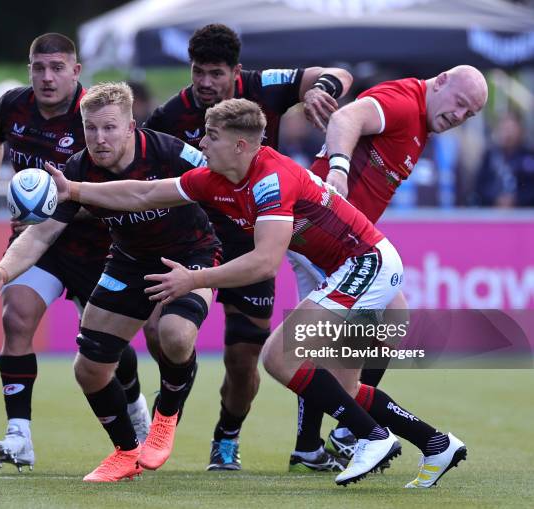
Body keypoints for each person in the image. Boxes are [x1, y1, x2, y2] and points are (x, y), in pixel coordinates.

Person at [46, 98, 468, 489]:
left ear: (241, 144)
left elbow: (265, 263)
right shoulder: (216, 177)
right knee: (345, 387)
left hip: (367, 264)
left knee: (277, 357)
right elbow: (142, 192)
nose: (201, 143)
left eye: (211, 137)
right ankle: (436, 444)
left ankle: (373, 438)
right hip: (350, 268)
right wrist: (77, 190)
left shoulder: (271, 179)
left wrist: (194, 280)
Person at [0, 82, 221, 482]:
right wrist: (4, 270)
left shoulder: (170, 152)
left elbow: (217, 186)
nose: (99, 139)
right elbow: (40, 234)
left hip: (189, 256)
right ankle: (125, 452)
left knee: (173, 334)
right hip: (127, 261)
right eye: (91, 129)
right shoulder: (77, 169)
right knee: (89, 370)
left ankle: (165, 416)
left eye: (109, 128)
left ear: (131, 127)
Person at [145, 22, 353, 472]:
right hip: (194, 242)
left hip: (250, 247)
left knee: (243, 361)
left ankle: (227, 437)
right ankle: (179, 379)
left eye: (215, 73)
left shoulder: (266, 86)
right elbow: (146, 178)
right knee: (160, 332)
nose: (204, 83)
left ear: (236, 72)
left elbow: (337, 73)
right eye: (198, 71)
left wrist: (321, 90)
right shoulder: (168, 116)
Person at [0, 34, 146, 472]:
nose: (47, 77)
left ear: (75, 71)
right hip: (36, 244)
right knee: (15, 317)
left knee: (105, 347)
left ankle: (134, 401)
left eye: (57, 67)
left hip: (99, 246)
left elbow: (119, 187)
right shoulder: (12, 106)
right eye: (39, 67)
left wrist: (61, 211)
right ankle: (19, 435)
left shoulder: (96, 116)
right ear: (29, 69)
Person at [289, 65, 488, 465]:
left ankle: (321, 440)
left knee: (388, 319)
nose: (459, 116)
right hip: (321, 233)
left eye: (470, 115)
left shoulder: (422, 122)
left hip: (340, 241)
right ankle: (352, 433)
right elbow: (347, 116)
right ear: (442, 80)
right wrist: (340, 173)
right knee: (352, 332)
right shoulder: (403, 101)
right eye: (460, 105)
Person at [475, 109, 534, 207]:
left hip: (524, 215)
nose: (508, 133)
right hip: (493, 213)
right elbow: (480, 185)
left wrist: (516, 200)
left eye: (511, 128)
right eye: (504, 127)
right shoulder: (490, 155)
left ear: (520, 129)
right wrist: (496, 199)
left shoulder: (529, 155)